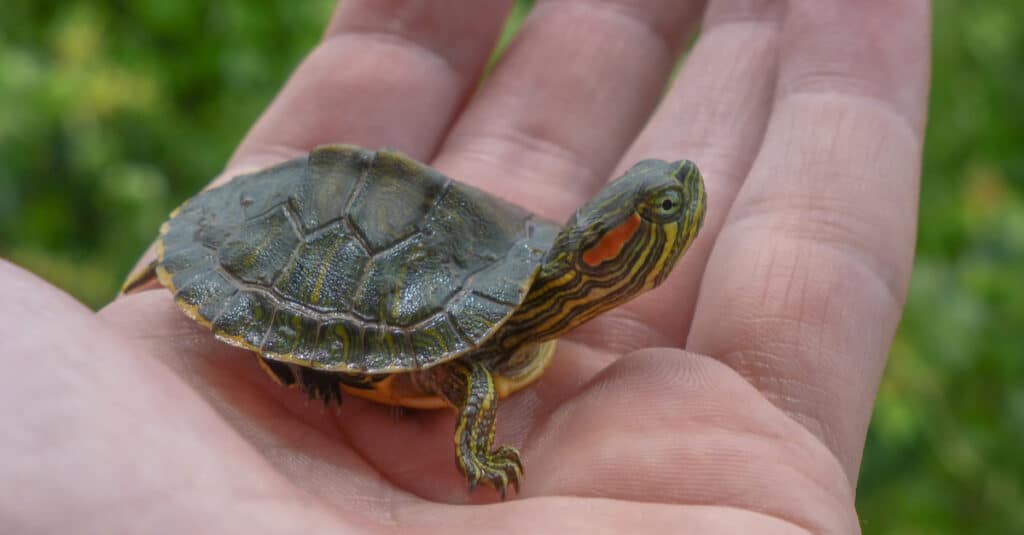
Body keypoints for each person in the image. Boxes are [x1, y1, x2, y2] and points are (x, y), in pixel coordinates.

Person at [1, 1, 930, 532]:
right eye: (663, 213)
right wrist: (474, 445)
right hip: (279, 236)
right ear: (612, 244)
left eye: (665, 209)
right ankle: (174, 260)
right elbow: (472, 365)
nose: (679, 204)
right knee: (474, 355)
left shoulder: (540, 289)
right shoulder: (496, 341)